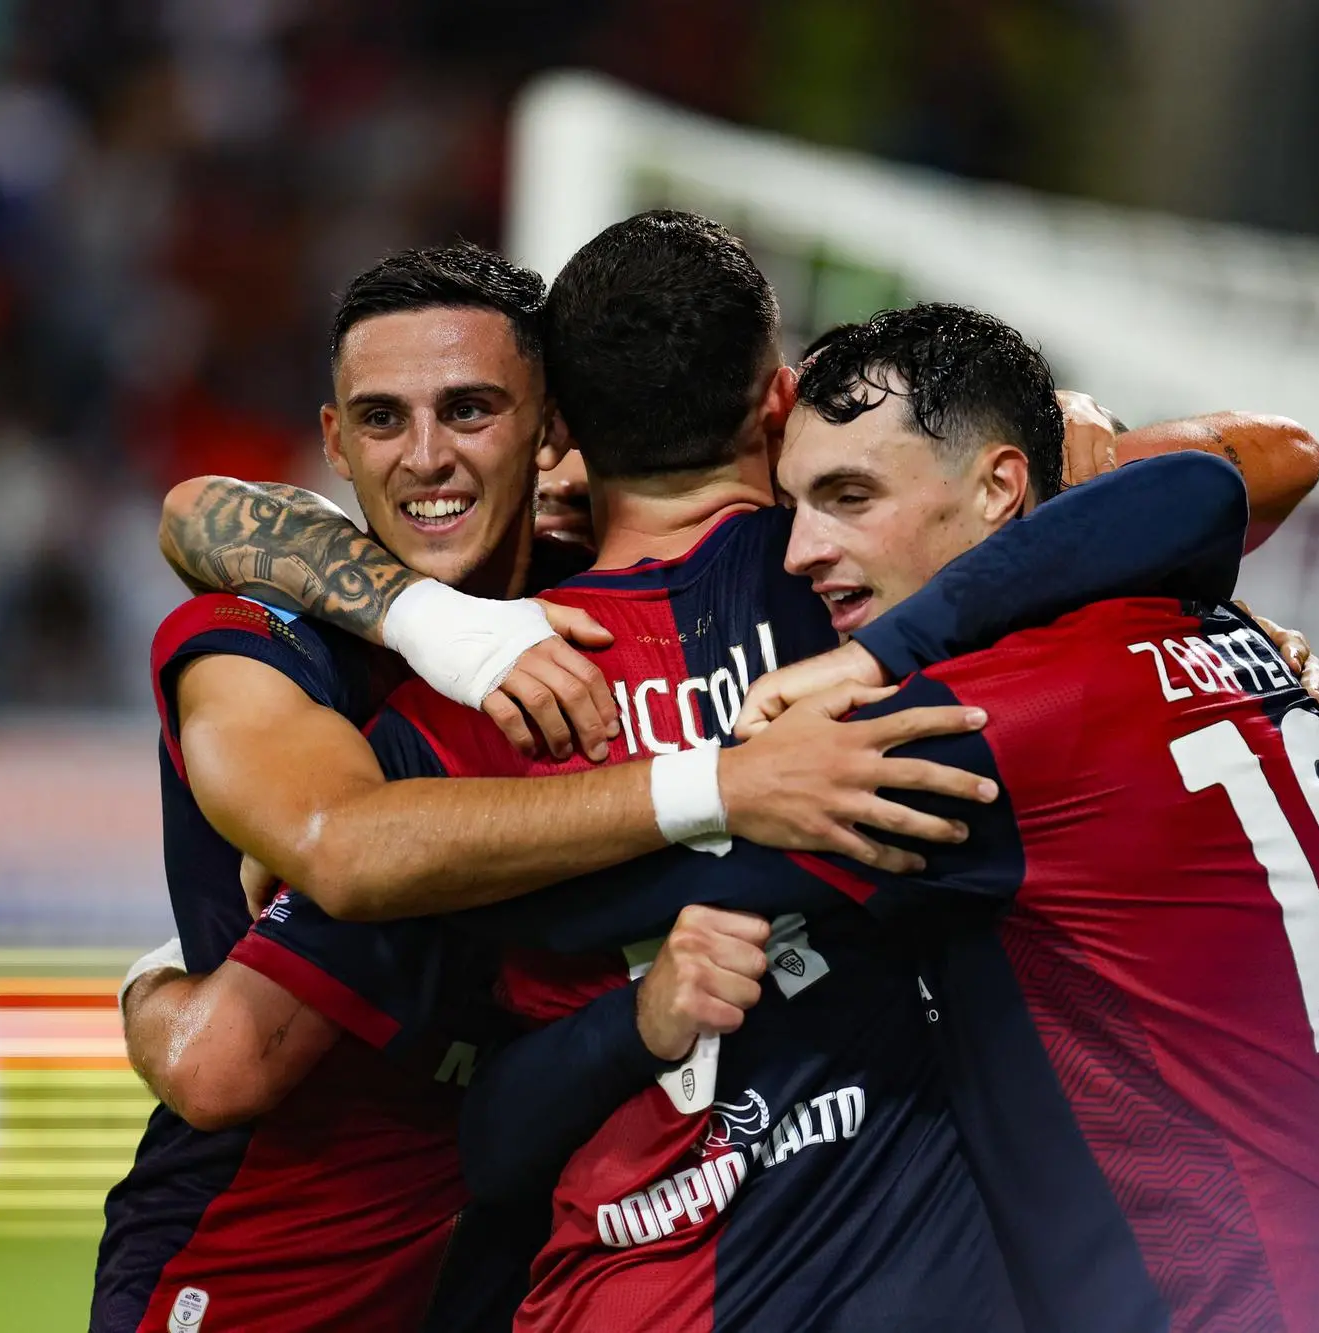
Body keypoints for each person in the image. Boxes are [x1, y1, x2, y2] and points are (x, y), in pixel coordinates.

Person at [194, 212, 1319, 1330]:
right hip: (932, 1273)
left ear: (558, 433)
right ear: (779, 398)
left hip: (624, 1288)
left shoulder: (454, 722)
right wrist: (1155, 593)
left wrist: (184, 956)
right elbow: (1268, 460)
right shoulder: (894, 585)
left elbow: (241, 1053)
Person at [93, 244, 999, 1333]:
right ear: (333, 441)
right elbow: (233, 1037)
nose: (426, 457)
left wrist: (1044, 431)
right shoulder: (260, 639)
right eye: (382, 420)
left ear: (551, 429)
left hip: (518, 1232)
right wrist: (152, 979)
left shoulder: (595, 598)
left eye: (470, 410)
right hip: (274, 1255)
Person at [558, 302, 1319, 1332]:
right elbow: (1207, 484)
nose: (797, 551)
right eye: (794, 506)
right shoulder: (1222, 632)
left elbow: (595, 904)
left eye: (850, 497)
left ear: (1002, 487)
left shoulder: (982, 727)